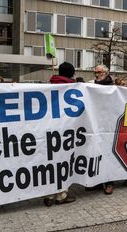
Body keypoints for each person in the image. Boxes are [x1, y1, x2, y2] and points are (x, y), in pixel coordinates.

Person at [43, 62, 77, 206]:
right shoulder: (72, 88)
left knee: (50, 163)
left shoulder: (48, 86)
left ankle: (48, 195)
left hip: (49, 130)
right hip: (66, 131)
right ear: (71, 73)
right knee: (63, 163)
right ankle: (61, 195)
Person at [93, 64, 114, 194]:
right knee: (96, 153)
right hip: (95, 125)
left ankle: (109, 182)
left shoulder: (112, 88)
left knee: (107, 154)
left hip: (108, 126)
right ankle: (98, 181)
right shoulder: (91, 86)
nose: (96, 75)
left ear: (105, 73)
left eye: (99, 72)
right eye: (95, 72)